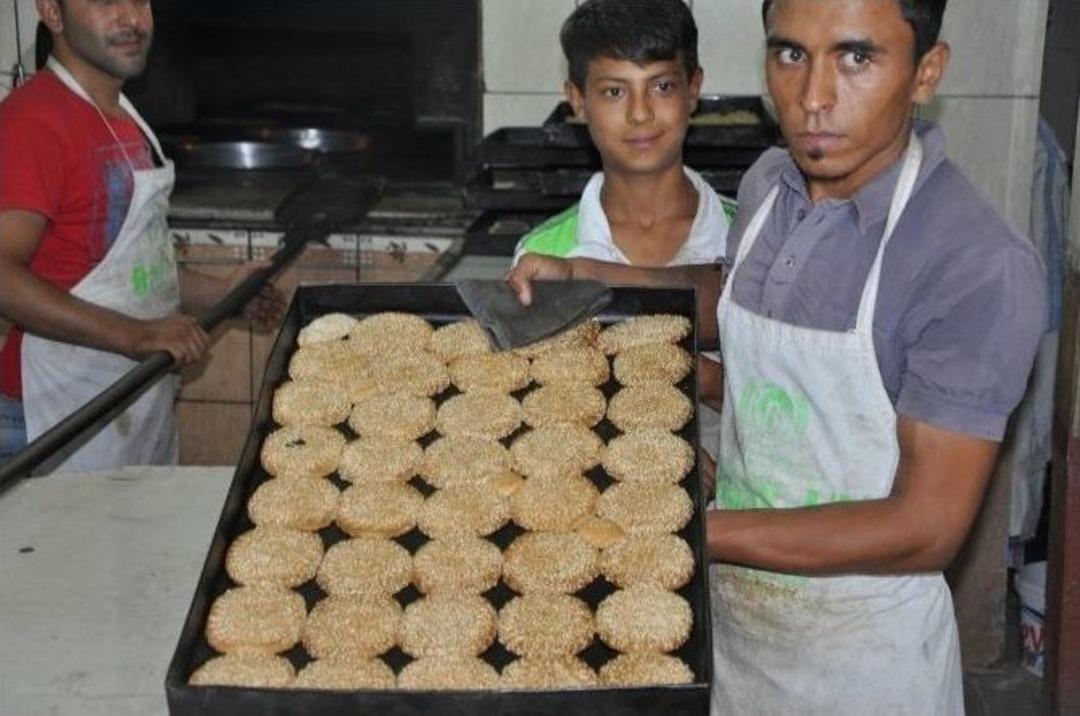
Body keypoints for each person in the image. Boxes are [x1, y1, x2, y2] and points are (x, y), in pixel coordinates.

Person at [508, 0, 1047, 712]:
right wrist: (586, 279)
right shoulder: (770, 185)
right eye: (791, 54)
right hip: (737, 640)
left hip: (862, 665)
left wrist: (682, 528)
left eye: (856, 57)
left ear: (926, 72)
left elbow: (926, 528)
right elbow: (737, 305)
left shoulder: (974, 265)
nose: (813, 99)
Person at [0, 0, 283, 472]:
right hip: (50, 422)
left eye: (141, 1)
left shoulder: (123, 119)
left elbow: (132, 271)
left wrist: (226, 293)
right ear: (52, 12)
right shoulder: (33, 121)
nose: (133, 19)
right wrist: (134, 335)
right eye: (107, 1)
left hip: (125, 403)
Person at [513, 0, 735, 270]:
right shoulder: (543, 253)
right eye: (615, 92)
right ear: (578, 101)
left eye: (662, 87)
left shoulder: (752, 236)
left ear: (692, 90)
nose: (640, 114)